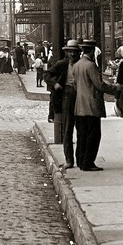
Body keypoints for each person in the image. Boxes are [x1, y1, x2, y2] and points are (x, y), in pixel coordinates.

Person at [70, 39, 112, 171]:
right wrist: (117, 88)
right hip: (91, 106)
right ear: (93, 50)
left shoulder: (76, 65)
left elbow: (75, 85)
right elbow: (100, 85)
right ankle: (88, 162)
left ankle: (81, 160)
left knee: (82, 135)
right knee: (93, 135)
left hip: (79, 105)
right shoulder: (91, 65)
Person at [46, 40, 81, 170]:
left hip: (80, 96)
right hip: (66, 95)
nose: (72, 54)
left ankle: (81, 159)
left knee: (82, 129)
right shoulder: (62, 64)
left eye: (75, 52)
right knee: (67, 129)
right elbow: (47, 74)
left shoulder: (82, 64)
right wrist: (55, 84)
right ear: (66, 52)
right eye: (70, 51)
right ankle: (69, 160)